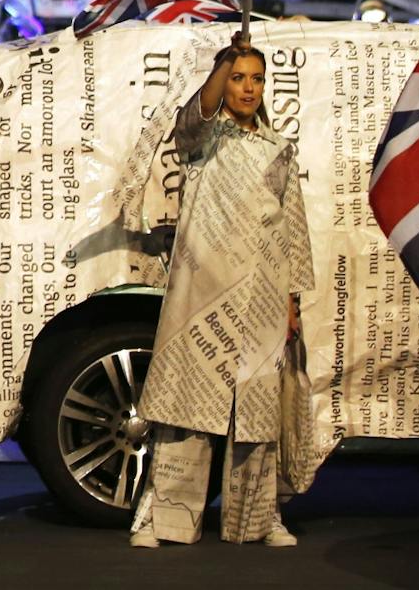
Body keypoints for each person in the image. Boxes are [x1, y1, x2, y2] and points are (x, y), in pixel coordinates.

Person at [129, 32, 313, 549]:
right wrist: (221, 64)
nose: (247, 88)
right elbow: (197, 115)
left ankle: (261, 519)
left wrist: (292, 298)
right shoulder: (204, 139)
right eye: (238, 78)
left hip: (261, 292)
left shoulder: (278, 150)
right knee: (188, 408)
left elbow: (291, 226)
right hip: (202, 292)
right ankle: (160, 519)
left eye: (255, 78)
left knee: (255, 410)